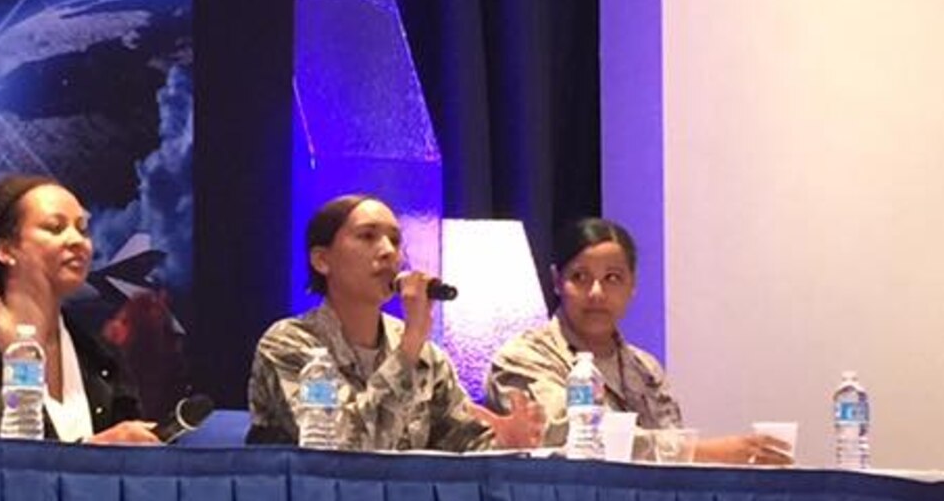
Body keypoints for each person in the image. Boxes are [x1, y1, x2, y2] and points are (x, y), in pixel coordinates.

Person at [248, 195, 544, 452]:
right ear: (322, 260)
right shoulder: (290, 343)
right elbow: (342, 451)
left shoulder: (425, 355)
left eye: (395, 240)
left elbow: (461, 446)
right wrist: (409, 348)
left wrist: (504, 442)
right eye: (367, 236)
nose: (389, 251)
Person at [486, 217, 791, 465]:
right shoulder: (522, 358)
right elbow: (567, 436)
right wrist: (707, 452)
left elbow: (671, 459)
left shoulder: (646, 369)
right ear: (556, 281)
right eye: (580, 277)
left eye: (612, 278)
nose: (596, 293)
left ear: (632, 285)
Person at [0, 174, 160, 444]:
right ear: (6, 250)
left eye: (82, 228)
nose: (77, 241)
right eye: (55, 228)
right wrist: (95, 450)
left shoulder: (101, 357)